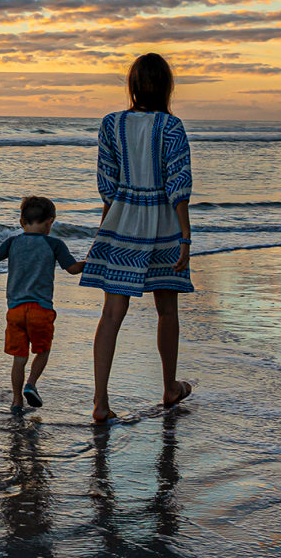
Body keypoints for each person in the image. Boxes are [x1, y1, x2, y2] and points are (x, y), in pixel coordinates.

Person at [80, 53, 196, 424]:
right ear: (165, 87)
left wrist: (103, 234)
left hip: (122, 221)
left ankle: (100, 401)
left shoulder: (111, 124)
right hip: (163, 223)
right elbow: (179, 183)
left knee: (111, 313)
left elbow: (107, 185)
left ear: (132, 86)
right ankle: (169, 387)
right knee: (167, 309)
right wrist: (185, 236)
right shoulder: (171, 126)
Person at [0, 196, 84, 413]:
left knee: (19, 359)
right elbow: (73, 269)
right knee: (43, 350)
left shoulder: (12, 242)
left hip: (15, 311)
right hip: (41, 310)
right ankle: (31, 384)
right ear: (50, 222)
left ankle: (17, 401)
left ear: (21, 222)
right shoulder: (54, 244)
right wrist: (91, 261)